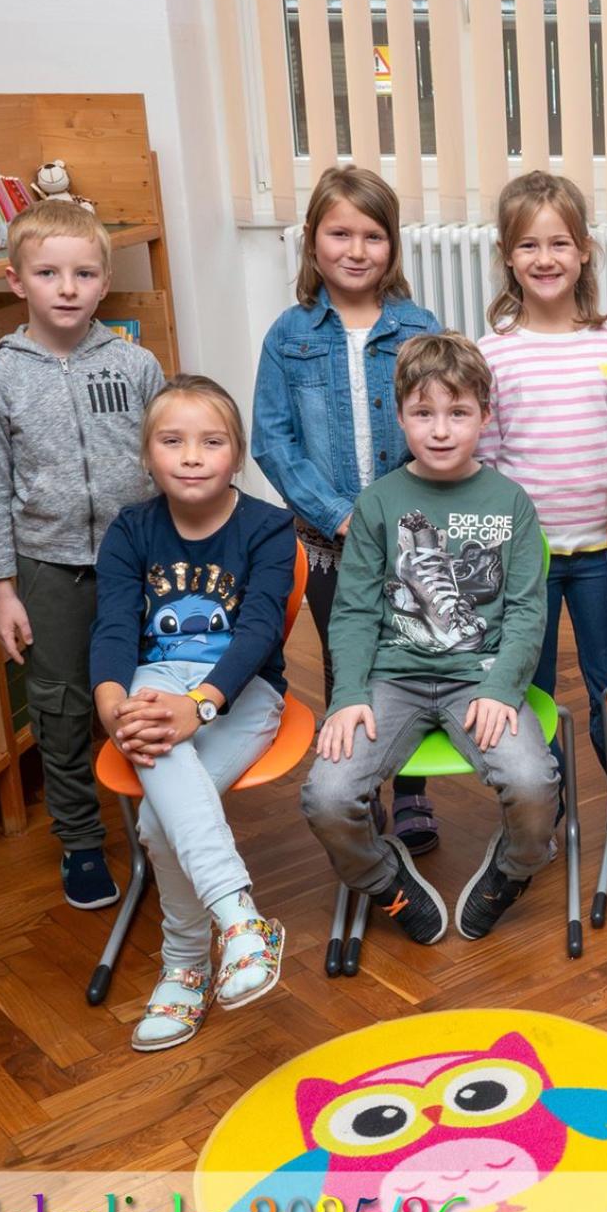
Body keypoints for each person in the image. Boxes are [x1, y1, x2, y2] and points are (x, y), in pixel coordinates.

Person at [299, 334, 558, 946]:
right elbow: (354, 610)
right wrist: (348, 694)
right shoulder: (378, 502)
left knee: (534, 784)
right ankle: (382, 879)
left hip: (481, 677)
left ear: (485, 416)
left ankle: (511, 870)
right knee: (327, 797)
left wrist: (502, 687)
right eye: (423, 413)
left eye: (458, 412)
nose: (440, 430)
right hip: (393, 677)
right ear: (400, 416)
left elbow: (527, 611)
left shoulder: (511, 501)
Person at [91, 378, 295, 1049]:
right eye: (172, 440)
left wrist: (200, 705)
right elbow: (113, 630)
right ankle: (239, 921)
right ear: (147, 453)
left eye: (211, 441)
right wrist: (116, 710)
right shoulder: (131, 530)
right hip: (150, 689)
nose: (191, 456)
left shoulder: (268, 526)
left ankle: (185, 961)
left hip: (242, 691)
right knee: (166, 791)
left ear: (236, 452)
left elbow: (258, 632)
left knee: (158, 819)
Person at [0, 201, 164, 908]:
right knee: (58, 707)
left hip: (135, 564)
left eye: (84, 273)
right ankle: (81, 840)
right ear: (16, 280)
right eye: (48, 273)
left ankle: (162, 822)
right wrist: (1, 588)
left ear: (104, 280)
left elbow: (164, 463)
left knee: (148, 692)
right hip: (46, 568)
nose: (67, 287)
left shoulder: (135, 364)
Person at [476, 171, 607, 850]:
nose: (545, 258)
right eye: (528, 245)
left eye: (559, 243)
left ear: (585, 250)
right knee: (526, 684)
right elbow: (488, 463)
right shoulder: (493, 353)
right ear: (507, 256)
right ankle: (538, 809)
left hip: (598, 553)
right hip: (524, 560)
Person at [253, 166, 444, 856]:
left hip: (412, 537)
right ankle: (359, 789)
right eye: (340, 234)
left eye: (372, 235)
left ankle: (413, 790)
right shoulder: (289, 335)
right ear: (312, 241)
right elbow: (272, 440)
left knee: (416, 652)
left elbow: (443, 420)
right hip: (330, 545)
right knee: (350, 662)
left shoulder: (420, 328)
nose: (356, 250)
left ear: (392, 245)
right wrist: (339, 516)